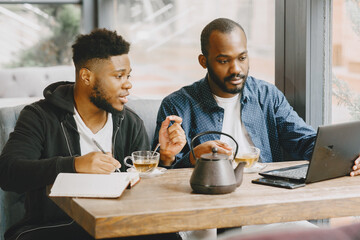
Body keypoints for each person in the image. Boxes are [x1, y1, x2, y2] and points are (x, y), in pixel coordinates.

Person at [0, 29, 185, 240]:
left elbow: (144, 193)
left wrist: (166, 158)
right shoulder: (39, 116)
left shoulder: (130, 122)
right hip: (58, 228)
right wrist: (75, 165)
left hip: (118, 225)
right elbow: (8, 172)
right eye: (118, 76)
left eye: (128, 75)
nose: (128, 84)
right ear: (86, 76)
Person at [152, 17, 360, 175]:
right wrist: (190, 157)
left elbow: (304, 142)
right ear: (203, 61)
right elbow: (163, 173)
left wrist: (348, 156)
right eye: (224, 61)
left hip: (265, 201)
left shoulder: (267, 96)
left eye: (242, 58)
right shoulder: (177, 105)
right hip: (205, 212)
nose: (236, 69)